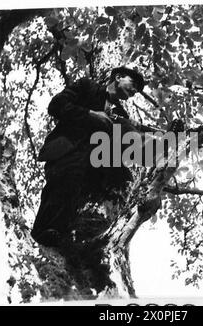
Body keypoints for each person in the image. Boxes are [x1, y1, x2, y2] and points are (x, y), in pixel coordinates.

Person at [31, 67, 146, 247]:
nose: (134, 91)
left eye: (137, 90)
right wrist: (89, 114)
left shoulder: (122, 115)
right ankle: (42, 235)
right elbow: (56, 105)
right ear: (118, 77)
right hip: (68, 150)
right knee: (63, 185)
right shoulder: (87, 86)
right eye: (133, 84)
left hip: (95, 168)